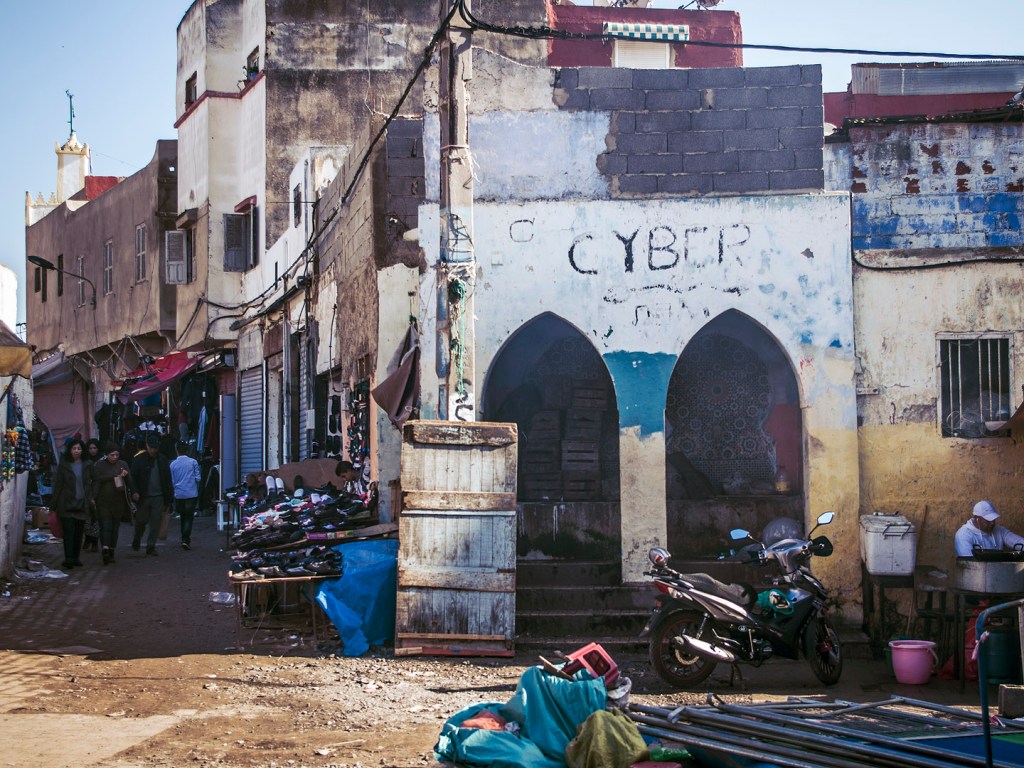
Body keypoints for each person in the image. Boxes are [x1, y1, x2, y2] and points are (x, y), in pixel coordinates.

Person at [87, 441, 135, 565]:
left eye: (116, 455)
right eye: (112, 455)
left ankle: (112, 550)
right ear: (107, 454)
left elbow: (130, 481)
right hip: (103, 501)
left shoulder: (123, 464)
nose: (114, 458)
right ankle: (105, 548)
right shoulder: (100, 465)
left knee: (115, 528)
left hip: (118, 502)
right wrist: (93, 497)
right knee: (106, 526)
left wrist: (134, 492)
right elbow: (96, 481)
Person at [130, 433, 174, 556]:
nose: (153, 450)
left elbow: (167, 480)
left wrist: (168, 499)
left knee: (155, 523)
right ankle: (137, 538)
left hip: (158, 496)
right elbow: (133, 477)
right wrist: (134, 491)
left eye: (155, 448)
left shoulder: (162, 459)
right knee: (141, 521)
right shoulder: (139, 459)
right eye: (152, 447)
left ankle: (150, 546)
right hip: (144, 496)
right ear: (147, 446)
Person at [51, 438, 92, 569]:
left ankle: (76, 557)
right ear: (69, 450)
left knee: (79, 532)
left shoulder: (87, 464)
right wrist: (54, 504)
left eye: (79, 448)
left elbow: (93, 481)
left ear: (82, 450)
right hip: (66, 502)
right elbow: (58, 485)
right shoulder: (64, 465)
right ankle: (68, 558)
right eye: (74, 448)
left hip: (81, 502)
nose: (76, 451)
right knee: (69, 531)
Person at [954, 500, 1024, 557]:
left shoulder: (998, 530)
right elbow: (969, 562)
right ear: (977, 519)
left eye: (993, 519)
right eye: (988, 520)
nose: (992, 523)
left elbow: (1018, 541)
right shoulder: (963, 535)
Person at [170, 441, 201, 550]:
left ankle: (184, 537)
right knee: (189, 517)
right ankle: (186, 539)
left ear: (176, 450)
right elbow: (198, 478)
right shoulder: (193, 462)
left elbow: (172, 481)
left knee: (183, 517)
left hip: (179, 493)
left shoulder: (173, 464)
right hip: (191, 493)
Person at [81, 438, 103, 552]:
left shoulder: (102, 460)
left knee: (96, 518)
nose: (93, 450)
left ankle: (94, 541)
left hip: (99, 493)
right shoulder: (84, 461)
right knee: (87, 518)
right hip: (86, 492)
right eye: (90, 448)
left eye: (95, 448)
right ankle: (88, 538)